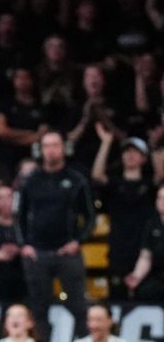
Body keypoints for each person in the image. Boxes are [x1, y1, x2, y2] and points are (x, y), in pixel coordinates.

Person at [17, 131, 95, 340]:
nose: (51, 150)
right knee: (39, 309)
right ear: (40, 150)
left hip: (67, 252)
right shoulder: (31, 181)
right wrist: (24, 245)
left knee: (79, 307)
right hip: (38, 253)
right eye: (47, 146)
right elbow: (19, 216)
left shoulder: (76, 179)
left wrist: (78, 241)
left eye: (55, 145)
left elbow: (90, 217)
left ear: (64, 148)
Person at [91, 124, 157, 299]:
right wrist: (106, 143)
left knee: (147, 295)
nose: (130, 155)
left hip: (144, 248)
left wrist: (156, 144)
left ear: (144, 158)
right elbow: (97, 175)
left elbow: (160, 174)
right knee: (116, 296)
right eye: (127, 151)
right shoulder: (114, 183)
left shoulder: (150, 185)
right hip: (118, 249)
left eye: (135, 152)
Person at [125, 184, 164, 301]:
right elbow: (146, 256)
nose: (161, 201)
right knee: (145, 291)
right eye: (159, 198)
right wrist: (137, 275)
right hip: (159, 276)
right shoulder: (151, 224)